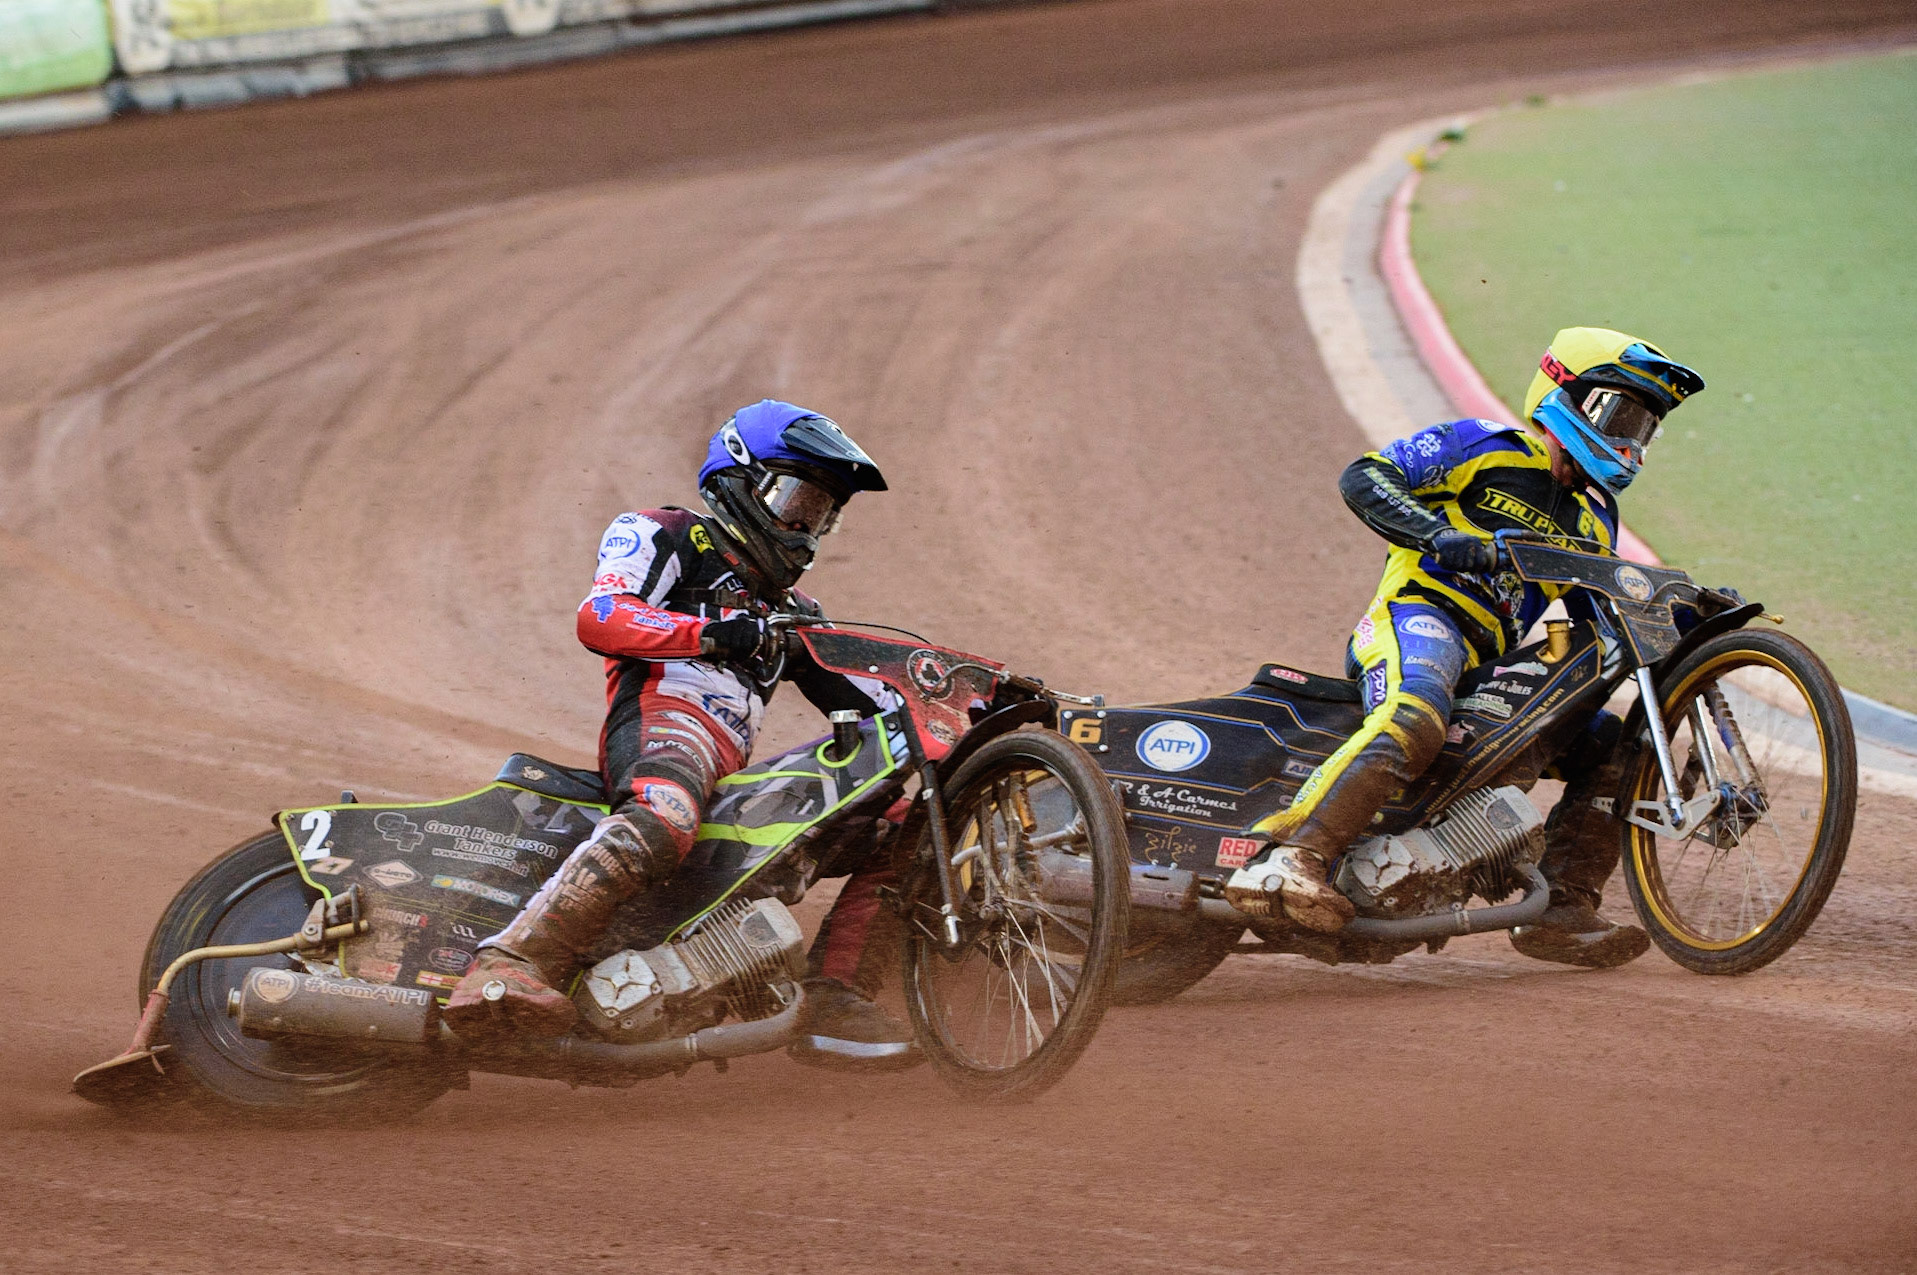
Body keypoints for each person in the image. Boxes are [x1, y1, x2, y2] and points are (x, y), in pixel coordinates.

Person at [445, 399, 916, 1062]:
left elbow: (873, 697)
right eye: (794, 499)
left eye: (820, 512)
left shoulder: (794, 613)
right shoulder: (666, 533)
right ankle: (508, 963)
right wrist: (709, 634)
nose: (804, 524)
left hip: (727, 776)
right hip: (663, 730)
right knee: (665, 811)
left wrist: (966, 705)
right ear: (739, 481)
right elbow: (601, 617)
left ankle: (834, 995)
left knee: (897, 818)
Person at [1223, 327, 1705, 968]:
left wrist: (1685, 613)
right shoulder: (1483, 445)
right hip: (1415, 620)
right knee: (1415, 719)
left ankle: (1562, 908)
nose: (1629, 443)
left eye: (1643, 428)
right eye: (1620, 415)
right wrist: (1436, 534)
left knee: (1615, 747)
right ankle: (1290, 856)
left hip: (1489, 668)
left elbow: (1604, 620)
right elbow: (1366, 477)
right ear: (1567, 394)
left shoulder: (1595, 520)